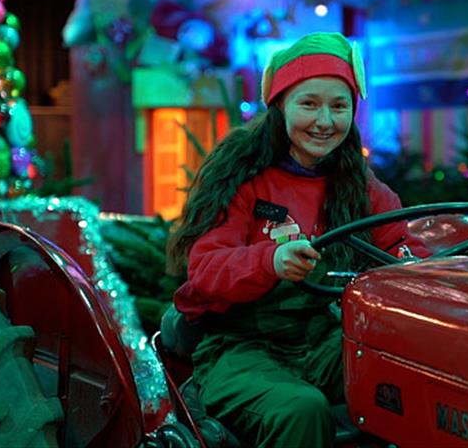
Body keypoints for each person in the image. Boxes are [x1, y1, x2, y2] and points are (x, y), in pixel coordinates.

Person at [166, 32, 429, 448]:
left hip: (326, 339)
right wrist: (270, 261)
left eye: (339, 106)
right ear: (280, 106)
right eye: (309, 103)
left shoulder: (360, 186)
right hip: (242, 346)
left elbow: (400, 248)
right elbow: (204, 270)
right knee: (300, 409)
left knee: (408, 377)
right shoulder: (243, 178)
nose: (325, 121)